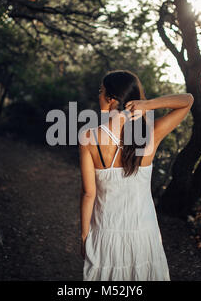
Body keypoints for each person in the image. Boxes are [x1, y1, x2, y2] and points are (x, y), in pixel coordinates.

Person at [79, 69, 194, 281]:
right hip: (144, 232)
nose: (98, 95)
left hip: (106, 233)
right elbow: (187, 100)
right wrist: (148, 105)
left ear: (111, 99)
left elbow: (89, 194)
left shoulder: (89, 137)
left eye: (100, 90)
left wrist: (85, 236)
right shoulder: (151, 132)